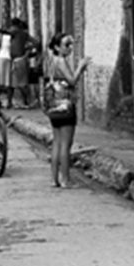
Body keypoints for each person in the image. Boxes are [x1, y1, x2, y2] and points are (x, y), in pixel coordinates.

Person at [45, 32, 90, 188]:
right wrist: (80, 67)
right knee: (65, 144)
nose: (70, 48)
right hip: (65, 106)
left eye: (71, 44)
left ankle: (54, 179)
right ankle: (65, 179)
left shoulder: (51, 61)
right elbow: (71, 81)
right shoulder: (61, 61)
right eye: (66, 45)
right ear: (57, 47)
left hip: (53, 106)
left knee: (57, 143)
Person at [8, 18, 39, 108]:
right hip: (16, 60)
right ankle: (25, 101)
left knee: (22, 84)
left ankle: (29, 100)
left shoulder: (18, 33)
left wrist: (27, 51)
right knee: (14, 84)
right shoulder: (20, 34)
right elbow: (35, 42)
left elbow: (36, 43)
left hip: (20, 60)